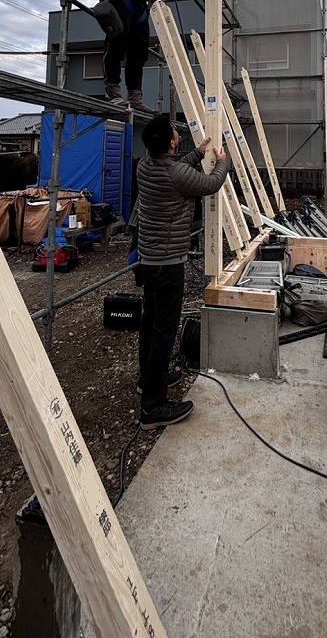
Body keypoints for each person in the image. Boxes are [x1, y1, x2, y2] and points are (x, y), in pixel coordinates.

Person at [136, 112, 229, 430]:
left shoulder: (144, 166)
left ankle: (148, 379)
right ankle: (152, 407)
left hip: (149, 260)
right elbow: (210, 183)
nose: (178, 133)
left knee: (150, 322)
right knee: (164, 329)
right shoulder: (175, 173)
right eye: (175, 132)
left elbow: (176, 169)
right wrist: (221, 161)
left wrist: (197, 153)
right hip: (167, 263)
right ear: (171, 142)